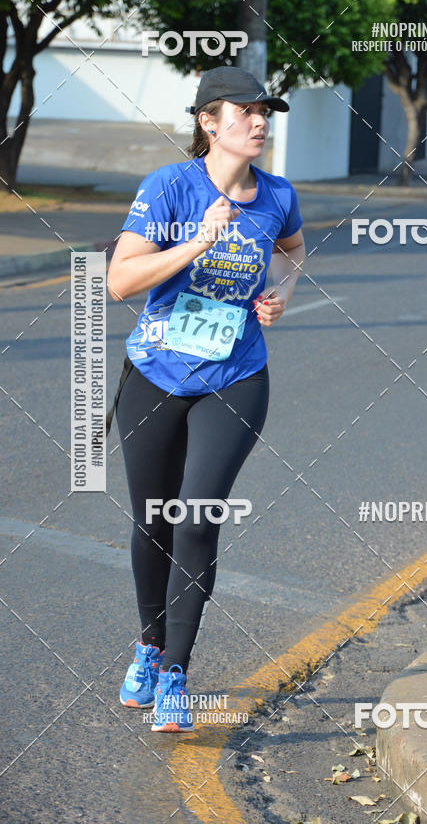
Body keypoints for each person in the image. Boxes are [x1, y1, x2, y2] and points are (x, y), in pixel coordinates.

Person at [106, 66, 305, 732]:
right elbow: (121, 281)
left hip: (236, 376)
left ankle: (174, 675)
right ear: (208, 122)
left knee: (195, 518)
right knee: (153, 523)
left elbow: (293, 253)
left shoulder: (277, 195)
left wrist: (280, 294)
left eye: (265, 111)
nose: (259, 121)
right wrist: (198, 240)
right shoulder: (168, 187)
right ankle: (148, 643)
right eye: (245, 111)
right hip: (155, 375)